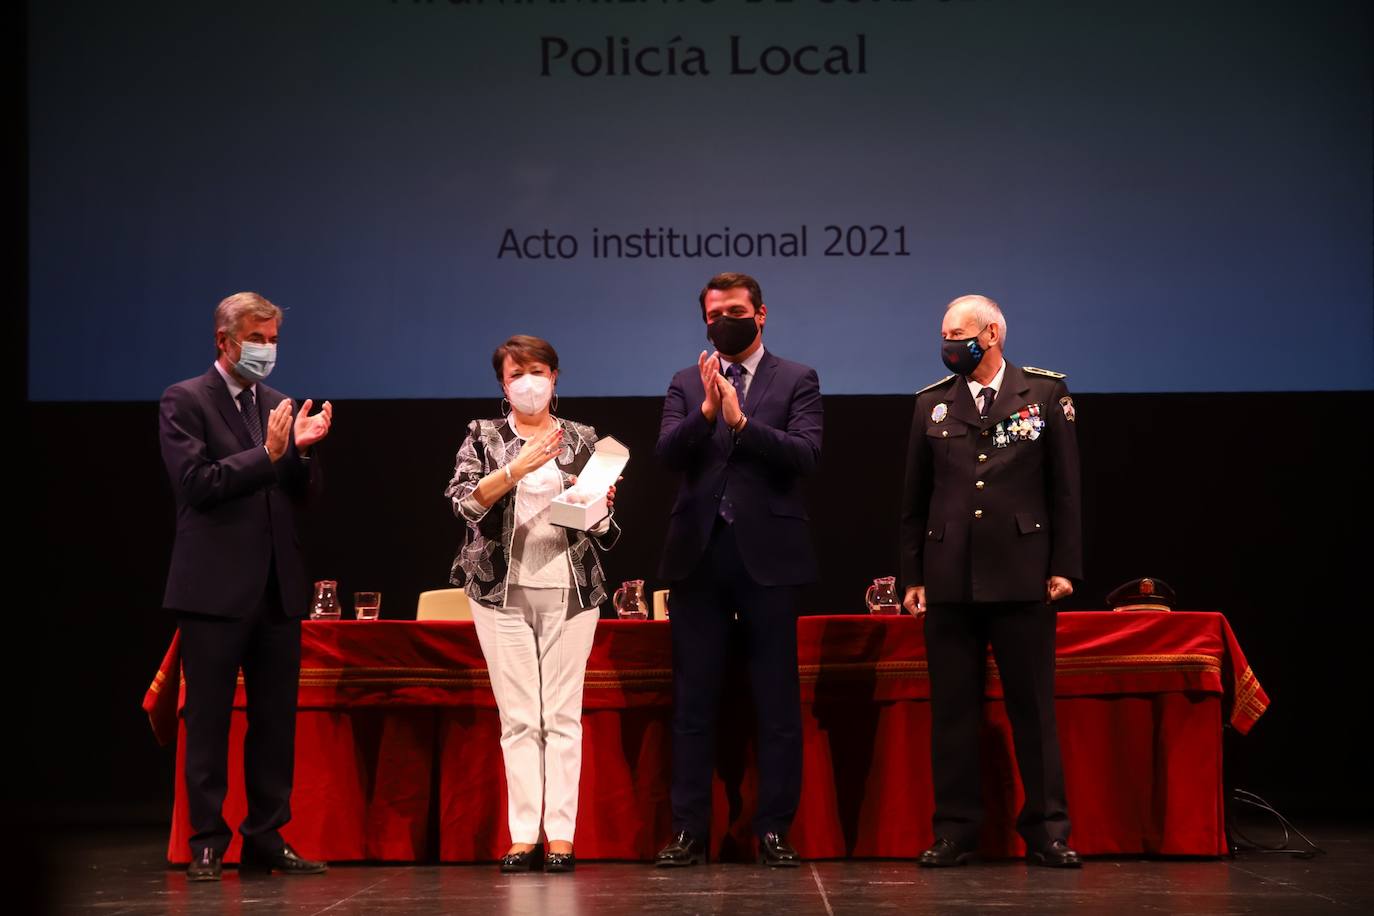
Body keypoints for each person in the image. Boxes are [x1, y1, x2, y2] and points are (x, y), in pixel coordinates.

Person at [900, 294, 1083, 868]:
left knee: (1032, 709)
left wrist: (1064, 565)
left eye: (959, 334)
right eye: (945, 335)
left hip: (1022, 575)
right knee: (953, 713)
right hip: (949, 577)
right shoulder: (931, 405)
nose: (949, 344)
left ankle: (1048, 830)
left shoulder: (1045, 395)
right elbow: (913, 501)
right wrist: (913, 576)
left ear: (993, 332)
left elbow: (1065, 489)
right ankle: (956, 829)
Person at [159, 291, 333, 881]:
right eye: (256, 339)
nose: (266, 350)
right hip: (212, 589)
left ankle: (266, 836)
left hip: (276, 587)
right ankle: (207, 839)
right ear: (224, 341)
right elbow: (197, 483)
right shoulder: (185, 400)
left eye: (272, 339)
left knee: (275, 720)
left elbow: (301, 497)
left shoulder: (280, 403)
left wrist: (303, 456)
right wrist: (269, 452)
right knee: (207, 718)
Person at [654, 272, 823, 868]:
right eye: (714, 311)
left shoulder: (797, 378)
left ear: (761, 314)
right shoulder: (683, 381)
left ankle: (774, 827)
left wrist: (744, 425)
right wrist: (706, 411)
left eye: (735, 309)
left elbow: (806, 454)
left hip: (769, 558)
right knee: (693, 703)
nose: (724, 318)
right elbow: (667, 454)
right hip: (699, 556)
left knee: (776, 702)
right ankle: (689, 830)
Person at [445, 335, 621, 874]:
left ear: (555, 377)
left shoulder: (587, 439)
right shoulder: (483, 435)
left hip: (570, 591)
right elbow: (464, 505)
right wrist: (516, 470)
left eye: (538, 370)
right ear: (503, 383)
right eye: (517, 372)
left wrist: (598, 506)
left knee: (563, 716)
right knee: (519, 717)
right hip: (501, 592)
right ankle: (523, 835)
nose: (528, 381)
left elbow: (603, 530)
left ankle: (561, 836)